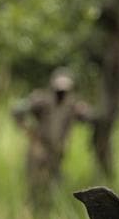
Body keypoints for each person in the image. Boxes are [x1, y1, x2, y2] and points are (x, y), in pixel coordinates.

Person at [12, 68, 92, 204]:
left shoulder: (72, 104)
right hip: (39, 147)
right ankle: (31, 209)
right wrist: (28, 130)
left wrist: (84, 111)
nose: (61, 93)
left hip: (58, 150)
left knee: (53, 184)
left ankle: (46, 209)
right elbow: (17, 110)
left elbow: (89, 117)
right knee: (34, 183)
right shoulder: (42, 99)